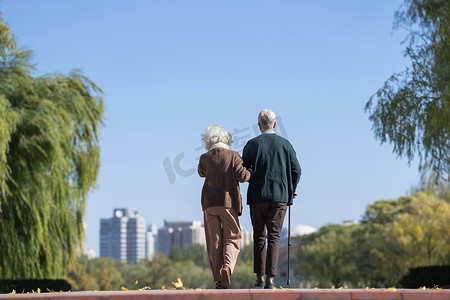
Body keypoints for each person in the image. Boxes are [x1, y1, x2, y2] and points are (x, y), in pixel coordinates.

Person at [242, 109, 301, 289]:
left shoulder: (251, 145)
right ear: (275, 124)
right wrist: (292, 190)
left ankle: (259, 277)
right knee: (274, 236)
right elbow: (296, 170)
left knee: (259, 235)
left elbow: (243, 171)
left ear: (259, 125)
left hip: (258, 196)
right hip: (280, 196)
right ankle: (271, 279)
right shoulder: (285, 144)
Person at [198, 124, 252, 289]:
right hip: (228, 203)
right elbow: (243, 177)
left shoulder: (204, 157)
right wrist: (251, 171)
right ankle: (227, 268)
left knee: (214, 240)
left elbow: (201, 172)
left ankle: (219, 280)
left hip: (209, 204)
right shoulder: (233, 155)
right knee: (232, 237)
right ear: (227, 141)